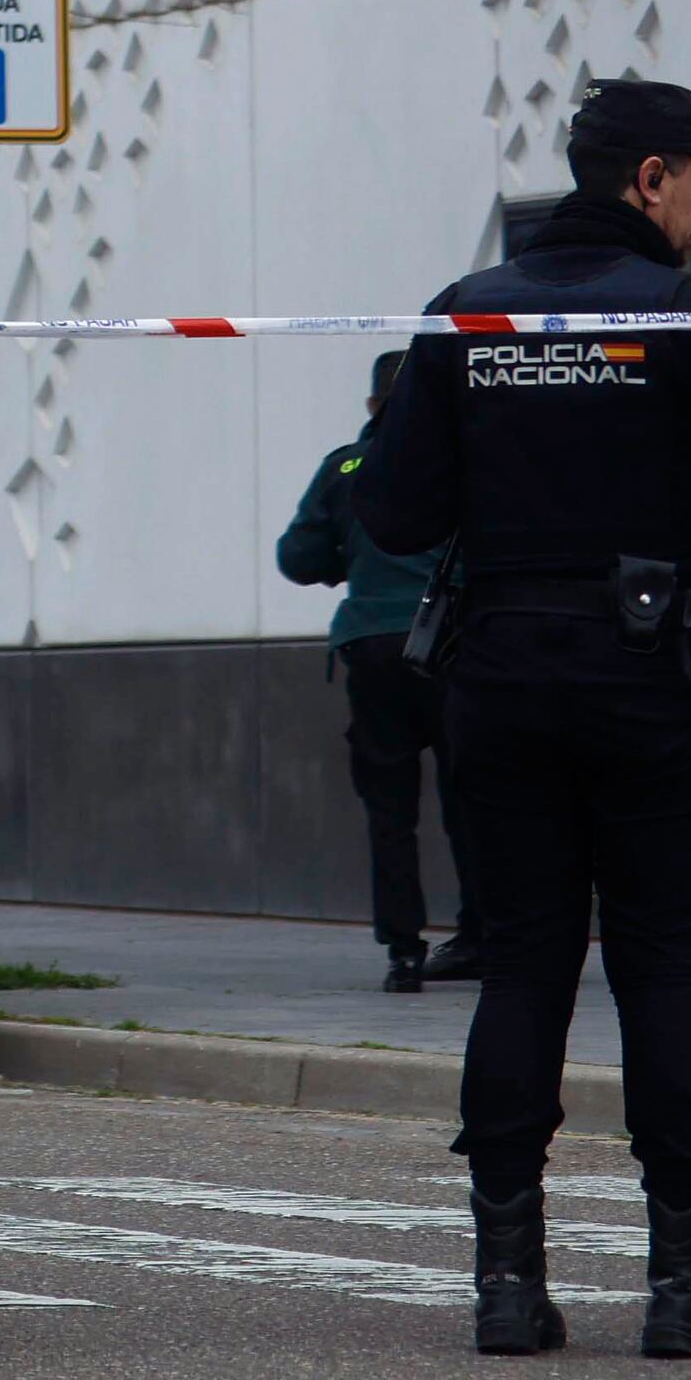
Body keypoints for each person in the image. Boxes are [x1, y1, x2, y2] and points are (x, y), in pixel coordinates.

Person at [353, 76, 691, 1360]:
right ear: (653, 178)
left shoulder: (464, 315)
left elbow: (392, 516)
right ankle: (682, 1293)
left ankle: (506, 1284)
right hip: (649, 679)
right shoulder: (680, 312)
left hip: (496, 678)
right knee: (667, 967)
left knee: (521, 972)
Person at [275, 353, 469, 992]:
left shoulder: (346, 466)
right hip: (455, 645)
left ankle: (404, 953)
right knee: (473, 797)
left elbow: (299, 557)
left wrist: (348, 562)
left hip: (375, 646)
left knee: (390, 809)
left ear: (372, 406)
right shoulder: (466, 455)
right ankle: (486, 934)